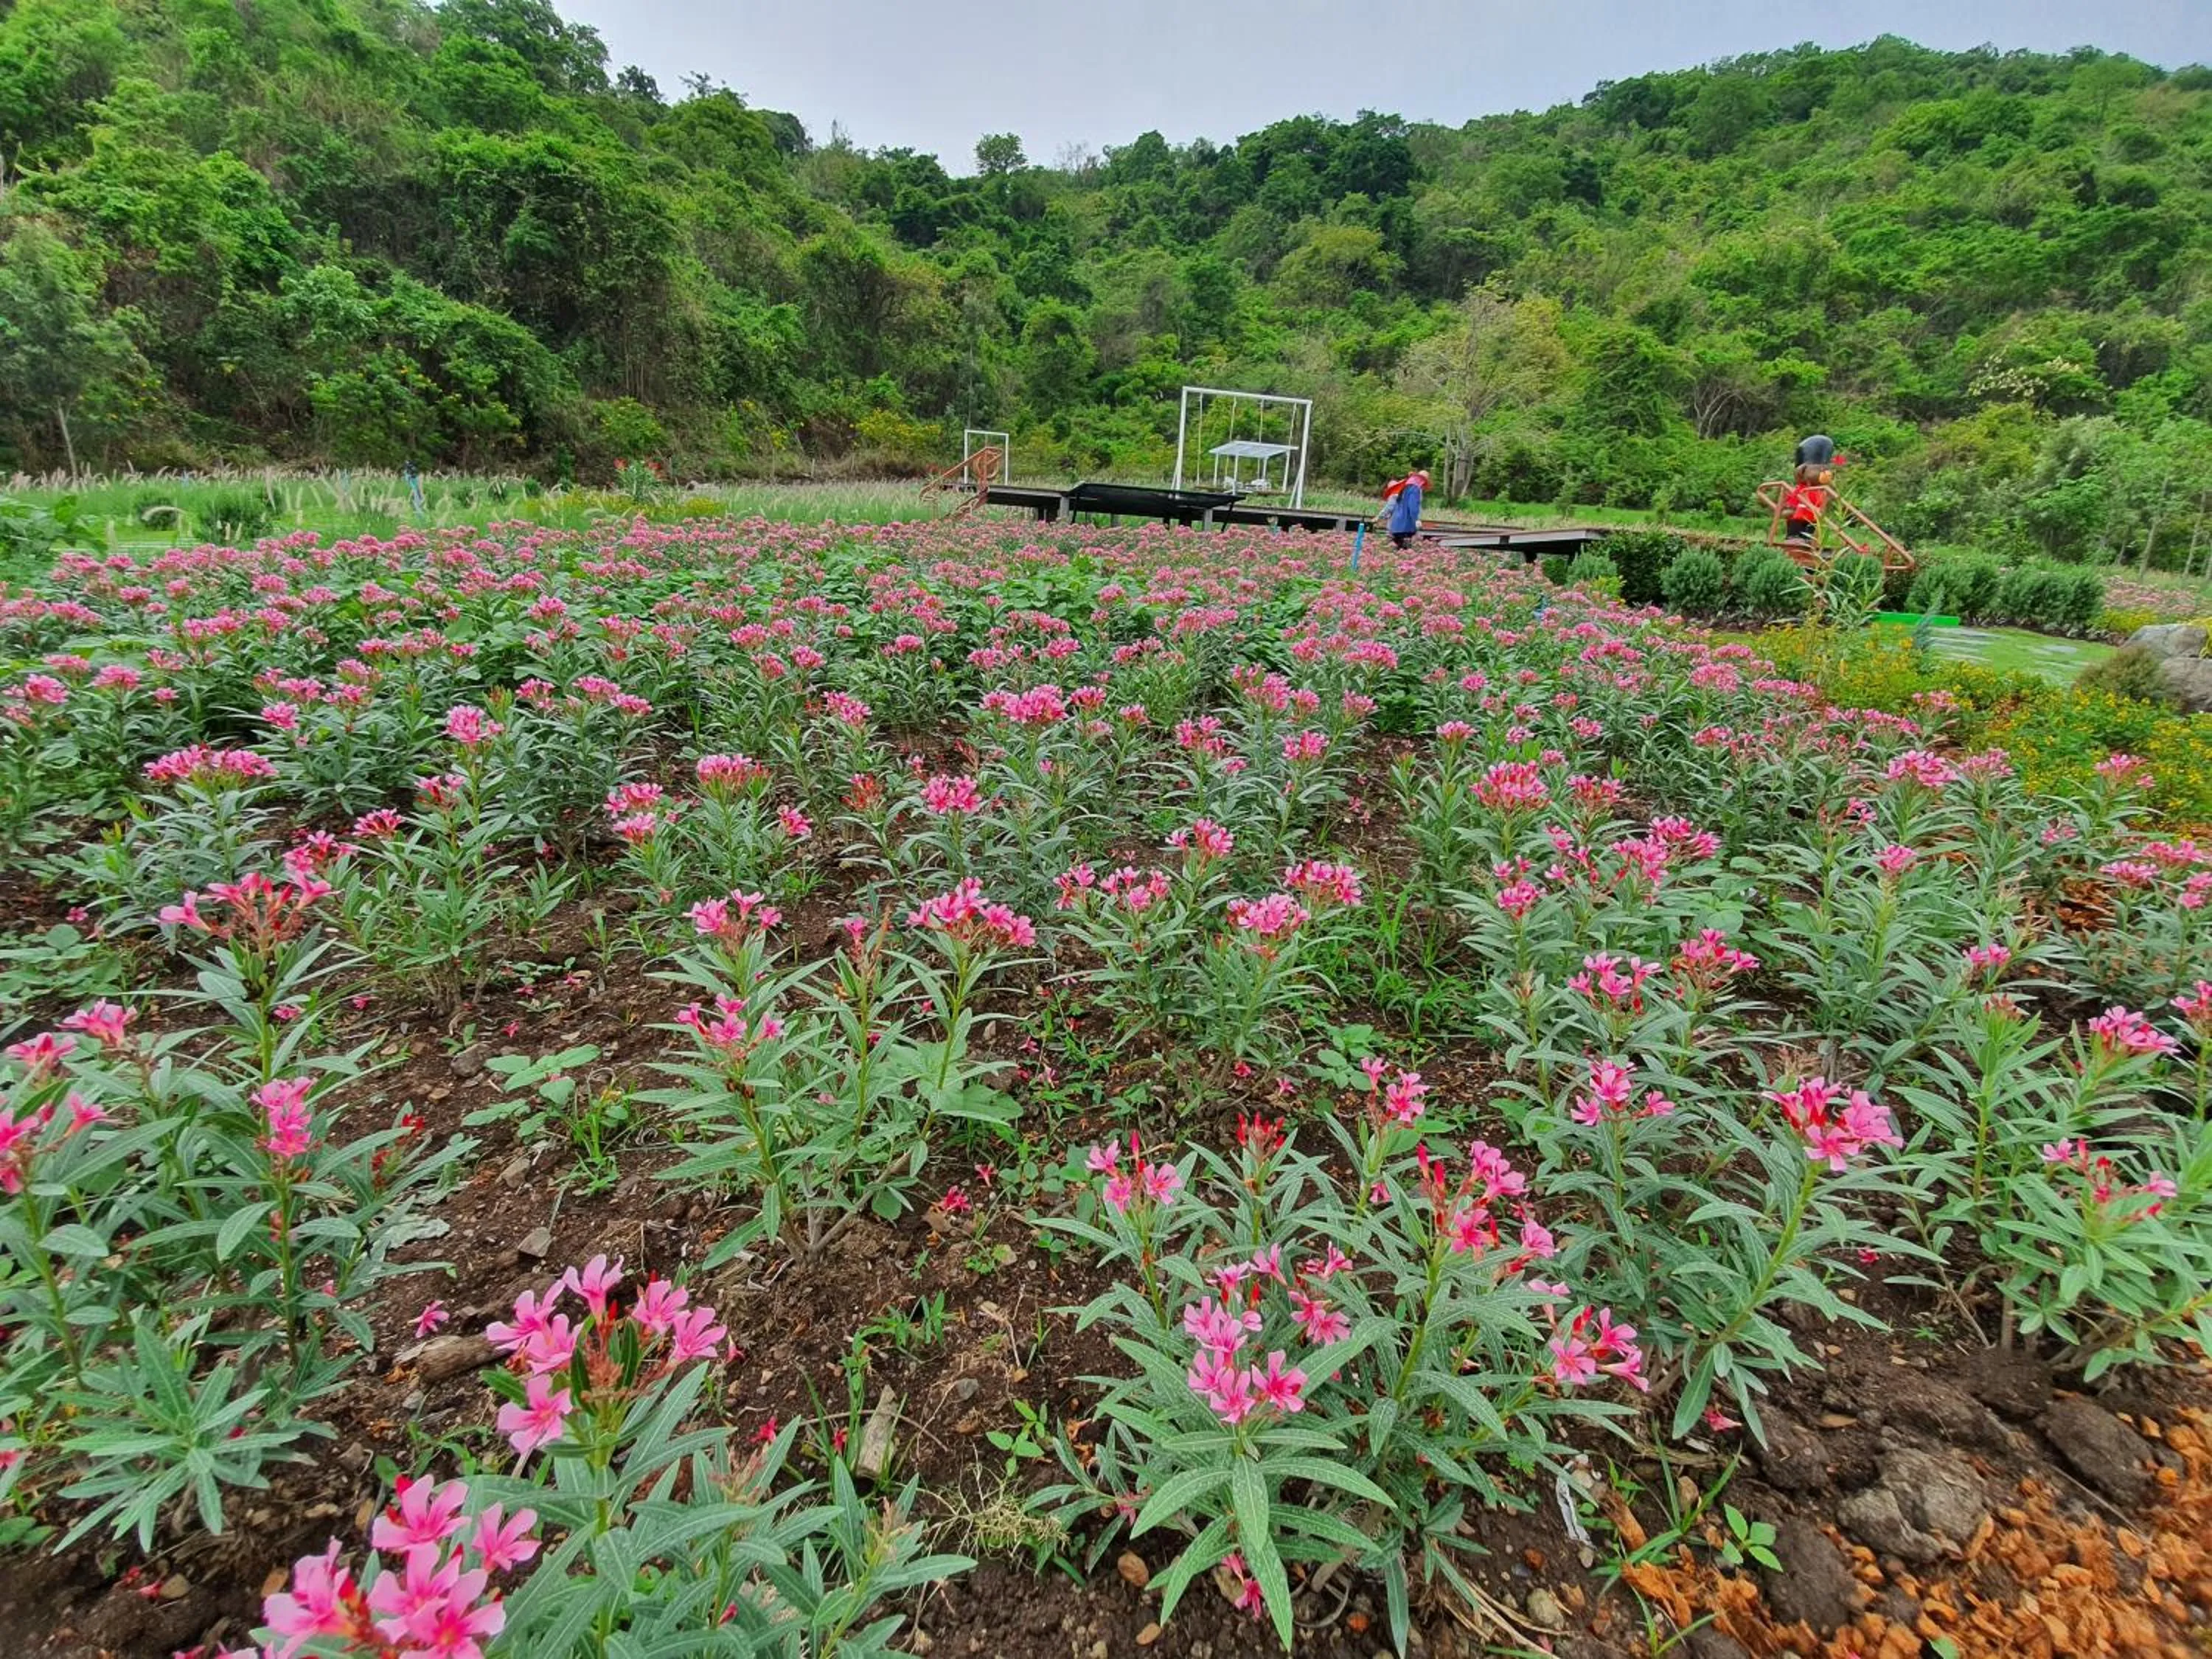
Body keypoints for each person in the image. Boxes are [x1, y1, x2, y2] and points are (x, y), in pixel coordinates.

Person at [1384, 468, 1428, 549]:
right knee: (1406, 551)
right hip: (1406, 526)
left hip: (1396, 525)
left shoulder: (1405, 487)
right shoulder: (1415, 489)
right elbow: (1413, 508)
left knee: (1399, 551)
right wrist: (1416, 521)